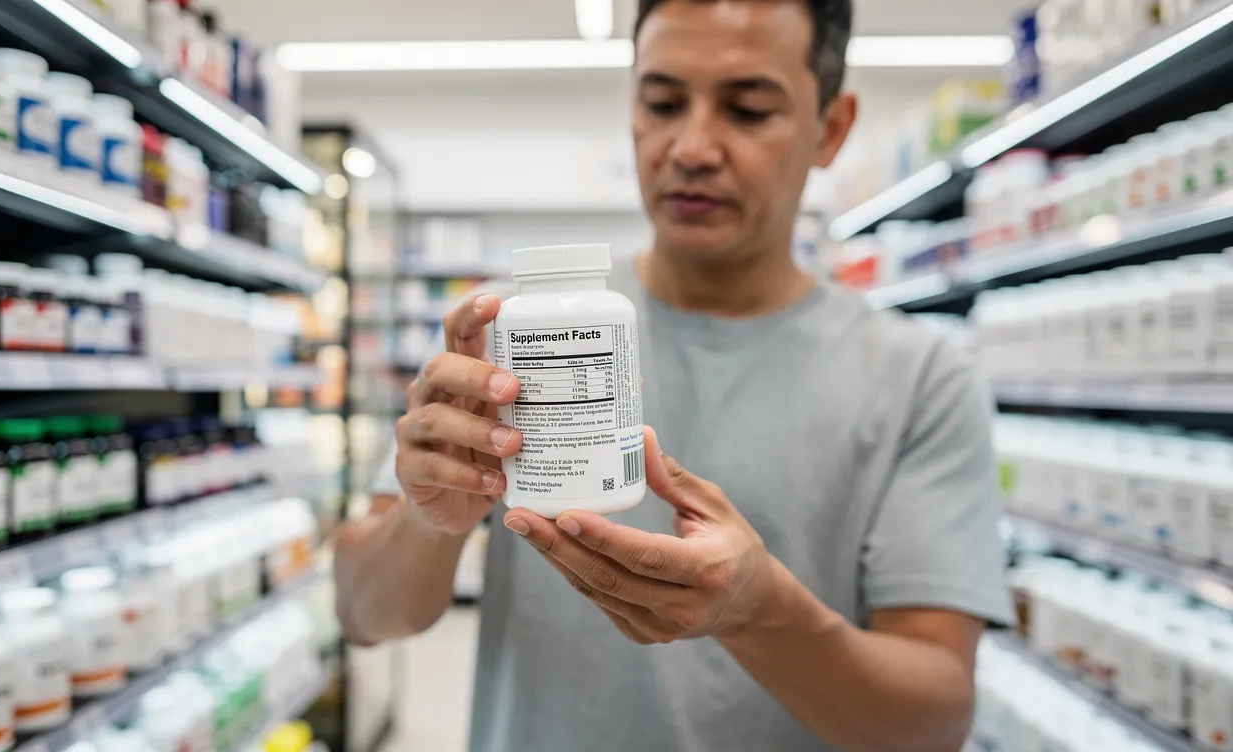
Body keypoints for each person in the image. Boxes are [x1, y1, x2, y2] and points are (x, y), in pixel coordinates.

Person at [335, 0, 1012, 750]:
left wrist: (762, 613)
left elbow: (933, 723)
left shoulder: (920, 379)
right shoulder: (508, 338)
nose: (690, 148)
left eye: (748, 110)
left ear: (830, 129)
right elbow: (361, 614)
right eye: (661, 103)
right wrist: (427, 522)